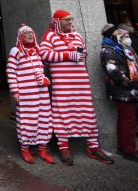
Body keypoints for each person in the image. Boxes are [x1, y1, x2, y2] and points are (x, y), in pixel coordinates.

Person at [40, 10, 113, 166]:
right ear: (58, 22)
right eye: (67, 20)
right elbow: (44, 54)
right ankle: (64, 148)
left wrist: (79, 54)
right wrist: (68, 55)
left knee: (87, 112)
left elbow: (83, 52)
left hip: (81, 82)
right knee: (62, 113)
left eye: (71, 19)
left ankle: (93, 147)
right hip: (62, 84)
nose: (70, 22)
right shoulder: (50, 35)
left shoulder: (77, 35)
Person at [100, 24, 138, 164]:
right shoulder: (108, 50)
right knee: (128, 121)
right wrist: (131, 82)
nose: (122, 35)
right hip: (123, 90)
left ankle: (124, 147)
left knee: (125, 120)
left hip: (127, 91)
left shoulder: (119, 48)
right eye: (118, 32)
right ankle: (130, 150)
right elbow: (113, 71)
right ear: (111, 35)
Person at [5, 25, 55, 164]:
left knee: (44, 119)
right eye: (26, 33)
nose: (30, 35)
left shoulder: (38, 50)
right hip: (26, 94)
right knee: (27, 120)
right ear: (20, 36)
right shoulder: (16, 51)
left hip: (42, 92)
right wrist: (15, 91)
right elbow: (11, 72)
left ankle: (42, 149)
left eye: (31, 32)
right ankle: (25, 149)